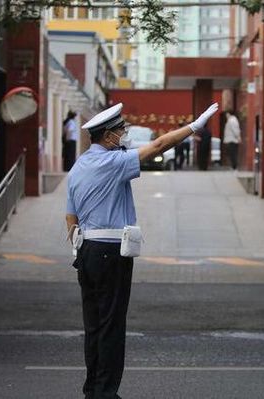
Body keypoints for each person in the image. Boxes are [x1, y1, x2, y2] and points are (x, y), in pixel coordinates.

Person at [66, 101, 218, 399]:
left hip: (87, 251)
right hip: (110, 253)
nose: (125, 133)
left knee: (94, 326)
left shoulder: (79, 166)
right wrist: (194, 126)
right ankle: (106, 393)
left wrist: (80, 249)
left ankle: (93, 390)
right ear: (108, 136)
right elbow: (159, 145)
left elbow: (70, 217)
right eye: (121, 129)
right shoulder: (111, 162)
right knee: (111, 326)